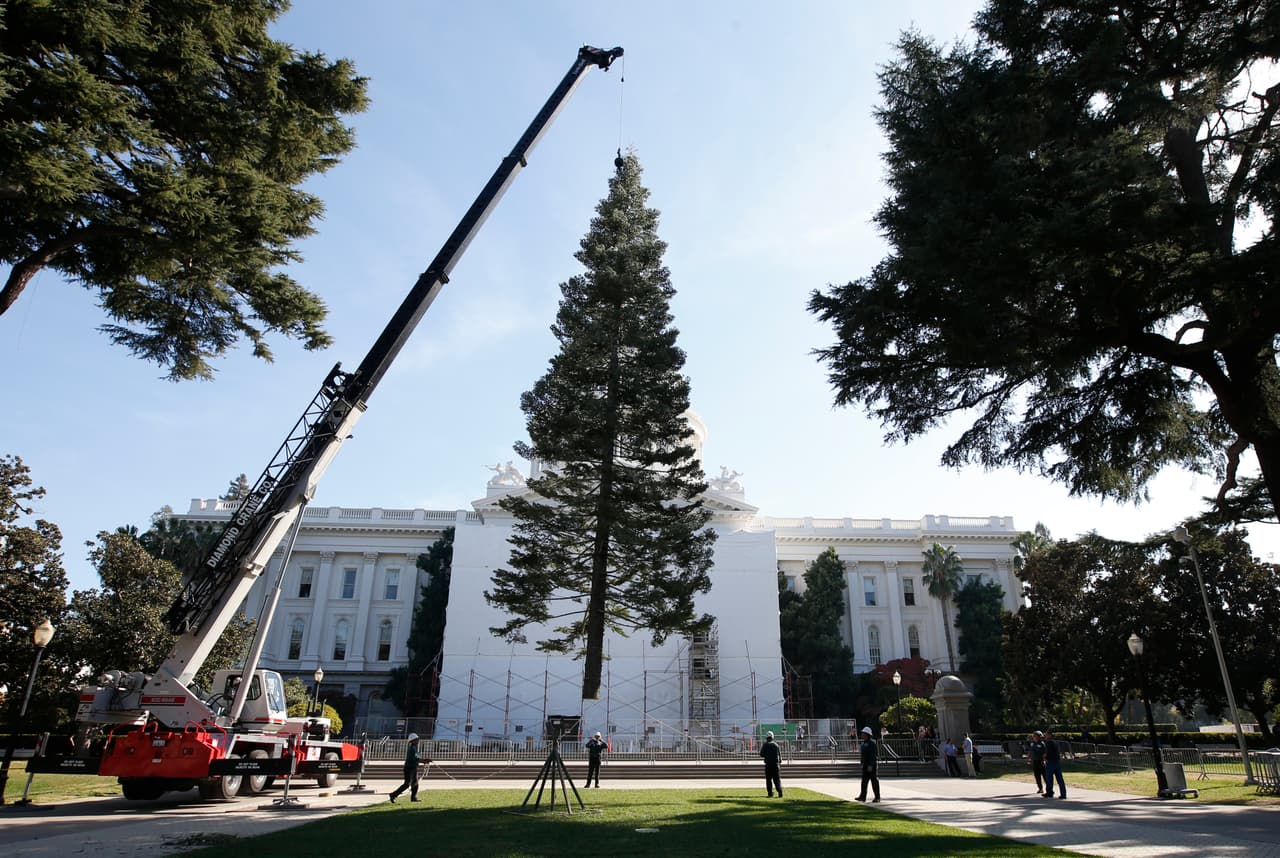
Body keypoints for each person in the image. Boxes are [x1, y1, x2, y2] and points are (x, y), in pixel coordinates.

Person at [389, 732, 424, 803]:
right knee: (407, 784)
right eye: (416, 739)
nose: (418, 740)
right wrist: (424, 760)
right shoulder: (412, 749)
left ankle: (413, 798)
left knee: (415, 783)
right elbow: (415, 758)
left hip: (413, 768)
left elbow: (418, 757)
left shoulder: (415, 748)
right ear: (413, 740)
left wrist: (424, 760)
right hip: (409, 768)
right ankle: (393, 795)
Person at [856, 726, 881, 802]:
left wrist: (870, 765)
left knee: (874, 781)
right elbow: (863, 755)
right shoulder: (863, 743)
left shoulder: (872, 743)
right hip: (865, 764)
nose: (862, 735)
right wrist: (862, 763)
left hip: (871, 765)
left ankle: (877, 797)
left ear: (867, 734)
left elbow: (873, 755)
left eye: (863, 733)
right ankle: (862, 796)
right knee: (864, 781)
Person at [1043, 730, 1067, 798]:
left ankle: (1049, 792)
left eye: (1046, 735)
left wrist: (1044, 759)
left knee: (1049, 778)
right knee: (1060, 779)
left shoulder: (1048, 743)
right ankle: (1063, 794)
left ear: (1050, 735)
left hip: (1050, 761)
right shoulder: (1055, 742)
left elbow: (1046, 752)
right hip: (1057, 761)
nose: (1045, 736)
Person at [760, 730, 783, 797]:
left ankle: (770, 793)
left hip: (768, 765)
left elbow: (761, 754)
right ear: (773, 737)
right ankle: (780, 791)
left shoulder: (765, 745)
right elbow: (780, 757)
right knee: (777, 780)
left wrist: (767, 755)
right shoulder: (776, 745)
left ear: (766, 737)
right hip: (776, 765)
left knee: (768, 780)